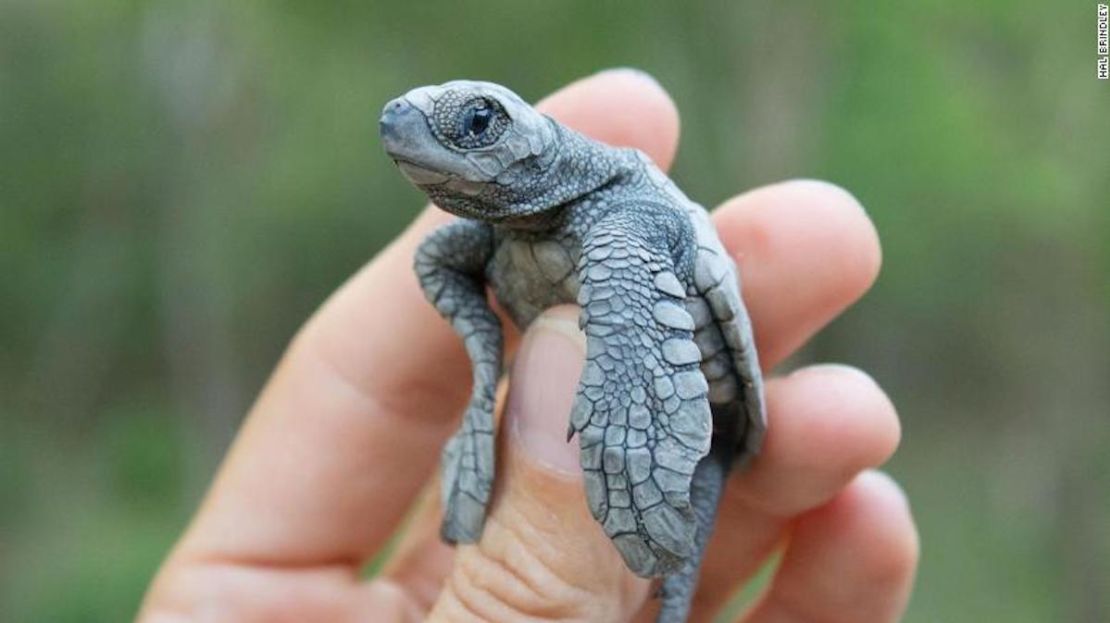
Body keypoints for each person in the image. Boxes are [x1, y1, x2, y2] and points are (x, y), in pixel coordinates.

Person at [138, 69, 918, 622]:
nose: (418, 140)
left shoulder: (620, 212)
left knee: (675, 576)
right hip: (615, 373)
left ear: (531, 143)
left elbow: (642, 307)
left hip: (705, 420)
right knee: (436, 255)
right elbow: (453, 283)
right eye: (408, 135)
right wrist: (487, 377)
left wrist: (617, 408)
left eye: (473, 125)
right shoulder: (472, 242)